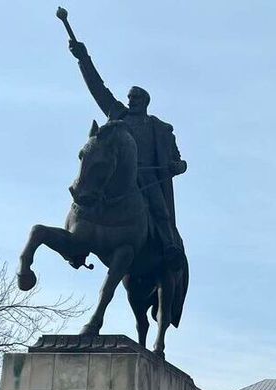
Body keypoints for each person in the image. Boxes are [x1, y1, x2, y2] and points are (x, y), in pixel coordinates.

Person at [67, 39, 187, 269]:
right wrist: (83, 59)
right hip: (116, 172)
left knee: (160, 209)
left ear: (145, 102)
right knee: (89, 187)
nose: (131, 101)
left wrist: (178, 166)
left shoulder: (160, 129)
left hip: (146, 175)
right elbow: (98, 88)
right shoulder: (117, 115)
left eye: (136, 98)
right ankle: (77, 242)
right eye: (130, 97)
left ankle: (169, 244)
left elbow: (177, 159)